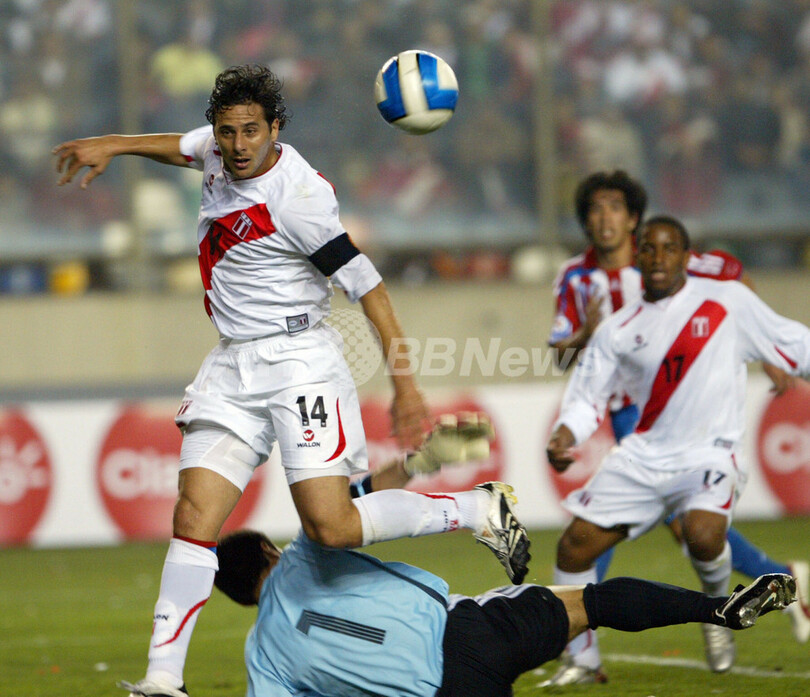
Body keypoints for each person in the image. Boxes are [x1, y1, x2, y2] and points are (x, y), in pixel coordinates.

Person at [54, 65, 530, 697]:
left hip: (300, 361)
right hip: (232, 363)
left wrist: (407, 389)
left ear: (275, 128)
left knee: (331, 528)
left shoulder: (297, 199)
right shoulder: (218, 153)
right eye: (228, 132)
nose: (239, 144)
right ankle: (163, 679)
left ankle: (476, 508)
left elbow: (371, 289)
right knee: (194, 512)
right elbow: (179, 146)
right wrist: (112, 146)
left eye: (252, 130)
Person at [544, 170, 809, 685]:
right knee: (574, 546)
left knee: (703, 534)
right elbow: (586, 394)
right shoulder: (617, 326)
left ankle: (717, 613)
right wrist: (566, 434)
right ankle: (582, 658)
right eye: (651, 250)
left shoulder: (726, 302)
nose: (659, 257)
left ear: (687, 258)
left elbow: (795, 343)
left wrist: (775, 358)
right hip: (643, 454)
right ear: (638, 254)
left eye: (671, 249)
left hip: (708, 454)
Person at [212, 526, 794, 696]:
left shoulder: (261, 657)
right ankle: (717, 607)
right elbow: (349, 507)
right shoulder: (305, 553)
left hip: (441, 694)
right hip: (471, 629)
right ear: (269, 549)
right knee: (593, 602)